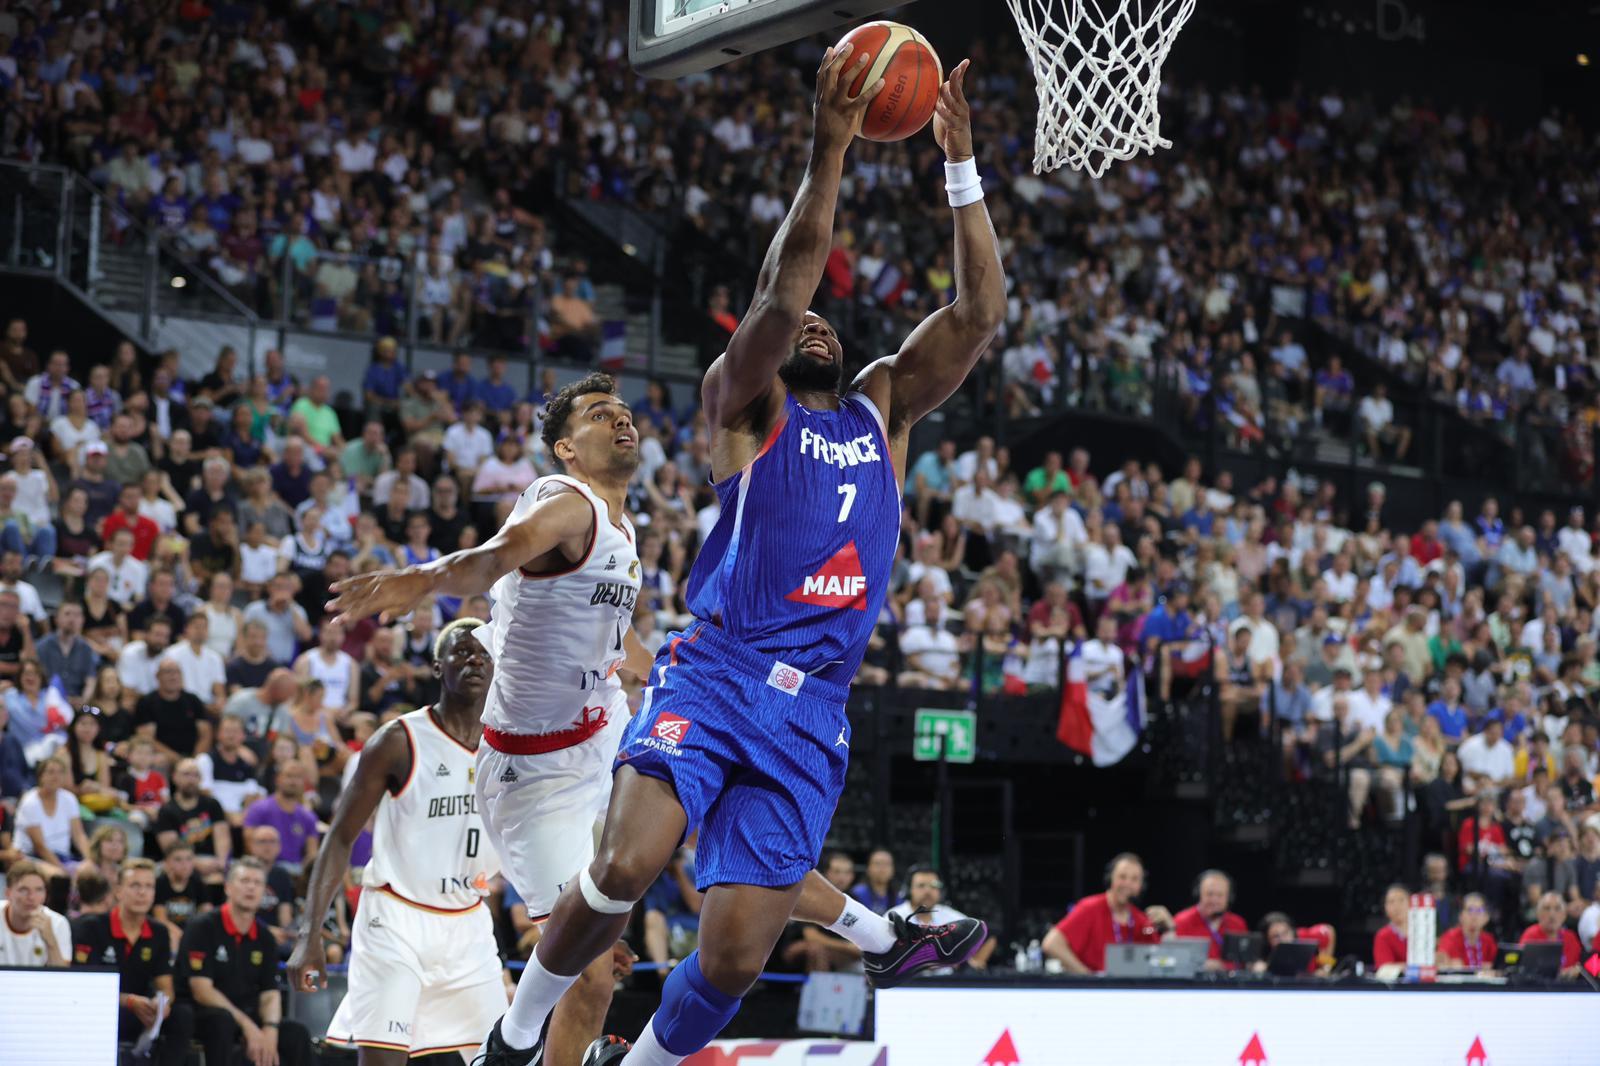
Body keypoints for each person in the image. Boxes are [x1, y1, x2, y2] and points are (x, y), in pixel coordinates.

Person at [331, 51, 999, 1066]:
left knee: (732, 957)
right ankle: (515, 1044)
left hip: (814, 707)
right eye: (796, 319)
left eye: (828, 319)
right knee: (624, 864)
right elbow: (782, 290)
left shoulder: (882, 408)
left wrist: (961, 170)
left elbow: (978, 315)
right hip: (720, 670)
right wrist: (828, 145)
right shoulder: (746, 404)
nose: (811, 319)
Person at [290, 619, 516, 1063]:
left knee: (501, 1056)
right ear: (436, 668)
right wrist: (309, 932)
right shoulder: (398, 741)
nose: (473, 660)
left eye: (483, 654)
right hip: (395, 920)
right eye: (460, 652)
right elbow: (338, 839)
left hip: (468, 924)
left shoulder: (512, 746)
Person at [177, 857, 317, 1066]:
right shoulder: (202, 927)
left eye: (257, 883)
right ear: (228, 887)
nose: (251, 887)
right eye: (244, 881)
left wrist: (270, 1029)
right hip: (205, 1014)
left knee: (296, 1034)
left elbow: (270, 993)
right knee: (222, 1021)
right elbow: (201, 990)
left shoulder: (265, 937)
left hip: (248, 1015)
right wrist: (248, 1026)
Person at [70, 858, 195, 1066]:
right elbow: (84, 989)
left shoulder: (159, 932)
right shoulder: (91, 927)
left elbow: (166, 985)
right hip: (103, 1009)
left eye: (148, 886)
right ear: (118, 891)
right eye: (135, 885)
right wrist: (128, 1001)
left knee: (182, 1015)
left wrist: (162, 1002)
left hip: (142, 1010)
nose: (142, 893)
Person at [1042, 853, 1171, 974]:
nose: (1127, 884)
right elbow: (1051, 944)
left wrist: (1169, 928)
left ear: (1141, 886)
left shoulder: (1142, 922)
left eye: (1134, 879)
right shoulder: (1089, 908)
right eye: (1122, 877)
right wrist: (1087, 977)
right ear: (1110, 879)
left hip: (1128, 993)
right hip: (1094, 993)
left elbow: (1164, 961)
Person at [885, 865, 996, 974]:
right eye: (921, 885)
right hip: (905, 984)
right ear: (909, 890)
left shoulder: (950, 915)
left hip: (946, 984)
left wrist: (973, 963)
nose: (928, 891)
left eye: (934, 885)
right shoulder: (894, 916)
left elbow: (985, 934)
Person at [154, 759, 232, 879]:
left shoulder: (212, 804)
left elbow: (222, 838)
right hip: (182, 864)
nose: (191, 779)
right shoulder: (166, 811)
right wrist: (196, 864)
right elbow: (171, 849)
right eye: (186, 774)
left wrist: (221, 864)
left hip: (213, 861)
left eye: (196, 775)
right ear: (174, 777)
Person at [1170, 869, 1248, 970]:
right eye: (1209, 894)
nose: (1214, 900)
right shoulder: (1181, 921)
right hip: (1194, 984)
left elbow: (1245, 962)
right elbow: (1174, 960)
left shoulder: (1238, 924)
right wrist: (1203, 965)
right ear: (1199, 894)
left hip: (1230, 984)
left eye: (1220, 895)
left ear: (1229, 898)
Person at [0, 859, 70, 966]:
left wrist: (51, 942)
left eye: (39, 890)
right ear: (8, 893)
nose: (31, 897)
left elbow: (62, 978)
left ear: (46, 895)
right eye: (23, 890)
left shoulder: (58, 923)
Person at [1519, 890, 1585, 979]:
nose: (1552, 914)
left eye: (1557, 908)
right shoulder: (1530, 935)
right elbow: (1523, 970)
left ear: (1564, 915)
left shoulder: (1570, 937)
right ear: (1538, 914)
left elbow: (1582, 965)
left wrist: (1578, 970)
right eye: (1547, 908)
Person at [1435, 892, 1497, 971]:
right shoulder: (1450, 937)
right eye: (1470, 910)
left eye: (1479, 910)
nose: (1474, 916)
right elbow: (1441, 962)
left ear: (1486, 917)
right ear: (1460, 916)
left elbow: (1496, 966)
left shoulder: (1489, 940)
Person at [849, 848, 899, 915]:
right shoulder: (856, 894)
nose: (882, 868)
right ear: (868, 868)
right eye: (878, 864)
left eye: (887, 864)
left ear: (893, 869)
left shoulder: (899, 897)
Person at [1371, 884, 1411, 967]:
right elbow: (1384, 968)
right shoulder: (1383, 936)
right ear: (1385, 907)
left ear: (1411, 903)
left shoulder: (1422, 931)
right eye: (1391, 902)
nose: (1397, 906)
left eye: (1401, 900)